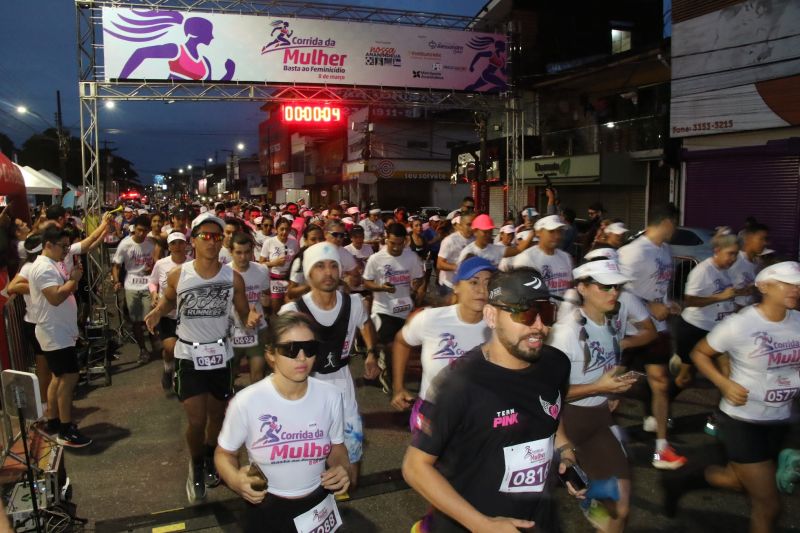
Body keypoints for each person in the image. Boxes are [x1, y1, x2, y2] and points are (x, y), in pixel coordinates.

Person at [402, 267, 582, 532]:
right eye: (525, 313)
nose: (539, 326)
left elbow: (553, 416)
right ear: (491, 316)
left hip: (536, 517)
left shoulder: (556, 364)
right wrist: (481, 524)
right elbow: (415, 467)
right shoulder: (458, 384)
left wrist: (566, 454)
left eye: (545, 313)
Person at [144, 213, 261, 503]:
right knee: (196, 420)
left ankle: (210, 457)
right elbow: (170, 298)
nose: (211, 242)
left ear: (223, 241)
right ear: (193, 240)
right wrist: (158, 311)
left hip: (221, 354)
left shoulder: (232, 278)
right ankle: (196, 464)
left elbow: (244, 311)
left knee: (217, 417)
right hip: (189, 355)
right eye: (204, 236)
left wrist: (251, 318)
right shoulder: (179, 274)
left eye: (216, 237)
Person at [677, 262, 800, 532]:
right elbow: (700, 352)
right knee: (768, 506)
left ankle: (683, 480)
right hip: (742, 420)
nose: (796, 289)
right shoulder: (741, 324)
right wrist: (724, 383)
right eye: (788, 283)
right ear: (764, 287)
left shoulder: (798, 321)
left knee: (735, 480)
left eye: (798, 284)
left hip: (779, 419)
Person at [215, 312, 351, 532]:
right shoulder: (247, 402)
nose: (301, 357)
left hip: (318, 505)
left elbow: (337, 447)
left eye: (309, 348)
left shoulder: (331, 396)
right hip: (266, 506)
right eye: (290, 349)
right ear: (270, 354)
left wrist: (341, 466)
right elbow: (224, 454)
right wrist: (235, 480)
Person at [548, 259, 641, 532]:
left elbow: (606, 367)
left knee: (621, 509)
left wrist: (615, 388)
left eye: (617, 287)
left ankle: (591, 500)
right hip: (564, 425)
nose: (614, 292)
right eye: (605, 286)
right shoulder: (566, 334)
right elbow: (546, 393)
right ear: (583, 288)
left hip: (599, 420)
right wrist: (600, 388)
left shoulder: (611, 324)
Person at [279, 242, 380, 485]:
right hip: (306, 391)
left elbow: (365, 324)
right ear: (308, 273)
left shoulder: (354, 303)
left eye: (334, 266)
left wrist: (371, 352)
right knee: (307, 464)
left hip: (342, 387)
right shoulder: (292, 311)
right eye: (320, 266)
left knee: (351, 460)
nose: (328, 272)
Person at [617, 203, 686, 470]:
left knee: (660, 383)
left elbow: (659, 286)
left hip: (657, 330)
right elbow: (615, 288)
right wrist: (648, 305)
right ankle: (591, 437)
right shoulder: (633, 252)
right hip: (628, 329)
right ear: (667, 222)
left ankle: (661, 447)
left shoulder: (666, 250)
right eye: (675, 225)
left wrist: (667, 304)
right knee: (610, 387)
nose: (675, 230)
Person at [390, 257, 495, 432]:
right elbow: (401, 341)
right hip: (431, 414)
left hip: (479, 416)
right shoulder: (430, 319)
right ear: (456, 286)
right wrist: (399, 387)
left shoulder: (499, 326)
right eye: (474, 282)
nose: (482, 290)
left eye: (488, 283)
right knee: (424, 460)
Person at [27, 227, 91, 447]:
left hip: (59, 330)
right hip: (54, 332)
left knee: (58, 377)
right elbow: (55, 298)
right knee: (69, 378)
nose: (66, 251)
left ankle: (53, 420)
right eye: (63, 246)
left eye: (67, 246)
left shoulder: (51, 264)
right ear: (48, 245)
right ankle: (65, 428)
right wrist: (74, 281)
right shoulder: (43, 268)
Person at [673, 232, 739, 394]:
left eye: (736, 254)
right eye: (730, 254)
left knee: (727, 369)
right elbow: (689, 301)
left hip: (715, 328)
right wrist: (720, 297)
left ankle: (728, 406)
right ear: (717, 251)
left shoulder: (725, 270)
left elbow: (726, 294)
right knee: (684, 378)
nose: (733, 258)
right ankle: (661, 399)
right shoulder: (703, 270)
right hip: (694, 328)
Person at [362, 223, 424, 393]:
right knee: (391, 346)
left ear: (405, 241)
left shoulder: (411, 258)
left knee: (404, 347)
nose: (396, 247)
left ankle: (387, 367)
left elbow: (419, 278)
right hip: (383, 310)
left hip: (405, 310)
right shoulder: (376, 259)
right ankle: (391, 380)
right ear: (386, 239)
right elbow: (366, 281)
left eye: (400, 243)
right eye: (392, 243)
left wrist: (416, 285)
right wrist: (382, 287)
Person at [7, 235, 51, 425]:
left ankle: (48, 404)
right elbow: (12, 286)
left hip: (46, 321)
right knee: (43, 368)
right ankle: (43, 407)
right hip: (35, 322)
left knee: (49, 368)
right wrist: (39, 288)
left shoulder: (44, 264)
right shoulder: (29, 267)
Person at [112, 214, 157, 363]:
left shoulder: (152, 243)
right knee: (137, 321)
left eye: (145, 231)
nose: (141, 234)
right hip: (131, 285)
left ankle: (156, 346)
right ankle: (143, 349)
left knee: (151, 317)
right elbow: (116, 265)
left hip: (149, 285)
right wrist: (116, 281)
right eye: (139, 230)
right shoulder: (125, 244)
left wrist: (153, 269)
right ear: (134, 229)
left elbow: (158, 261)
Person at [149, 230, 189, 392]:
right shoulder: (161, 264)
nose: (177, 246)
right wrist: (153, 295)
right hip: (166, 314)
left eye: (180, 243)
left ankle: (177, 377)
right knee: (170, 348)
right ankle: (167, 368)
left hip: (186, 316)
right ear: (169, 247)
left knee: (183, 350)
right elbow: (152, 282)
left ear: (186, 245)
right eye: (173, 243)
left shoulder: (193, 264)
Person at [229, 232, 270, 384]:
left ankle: (254, 406)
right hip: (232, 331)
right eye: (238, 253)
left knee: (258, 375)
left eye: (247, 252)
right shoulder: (223, 273)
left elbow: (266, 294)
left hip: (258, 329)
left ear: (252, 251)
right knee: (229, 374)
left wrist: (266, 303)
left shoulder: (262, 270)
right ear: (231, 252)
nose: (243, 257)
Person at [510, 215, 573, 299]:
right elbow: (521, 293)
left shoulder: (566, 257)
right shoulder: (526, 258)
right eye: (551, 231)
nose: (557, 236)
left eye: (559, 231)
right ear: (538, 232)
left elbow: (570, 286)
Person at [457, 214, 534, 267]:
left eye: (490, 232)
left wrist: (531, 234)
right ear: (475, 232)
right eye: (485, 232)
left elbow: (518, 249)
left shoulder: (496, 249)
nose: (488, 235)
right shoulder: (468, 252)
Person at [260, 217, 300, 315]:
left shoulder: (294, 242)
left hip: (289, 279)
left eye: (287, 229)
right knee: (276, 310)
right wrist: (274, 263)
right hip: (275, 279)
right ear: (276, 229)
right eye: (281, 229)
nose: (284, 232)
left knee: (290, 308)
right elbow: (261, 263)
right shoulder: (269, 242)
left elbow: (298, 260)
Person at [728, 222, 769, 308]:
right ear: (748, 238)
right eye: (761, 239)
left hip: (750, 308)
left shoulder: (758, 262)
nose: (765, 243)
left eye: (766, 239)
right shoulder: (734, 260)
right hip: (734, 310)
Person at [436, 213, 475, 298]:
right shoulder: (450, 241)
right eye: (468, 225)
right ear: (460, 225)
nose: (471, 227)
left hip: (465, 285)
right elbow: (440, 264)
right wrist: (458, 267)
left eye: (473, 224)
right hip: (449, 285)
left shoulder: (475, 239)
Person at [287, 224, 325, 301]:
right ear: (306, 241)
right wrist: (311, 286)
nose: (318, 242)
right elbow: (291, 293)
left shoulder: (328, 258)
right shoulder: (300, 262)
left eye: (320, 239)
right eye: (313, 239)